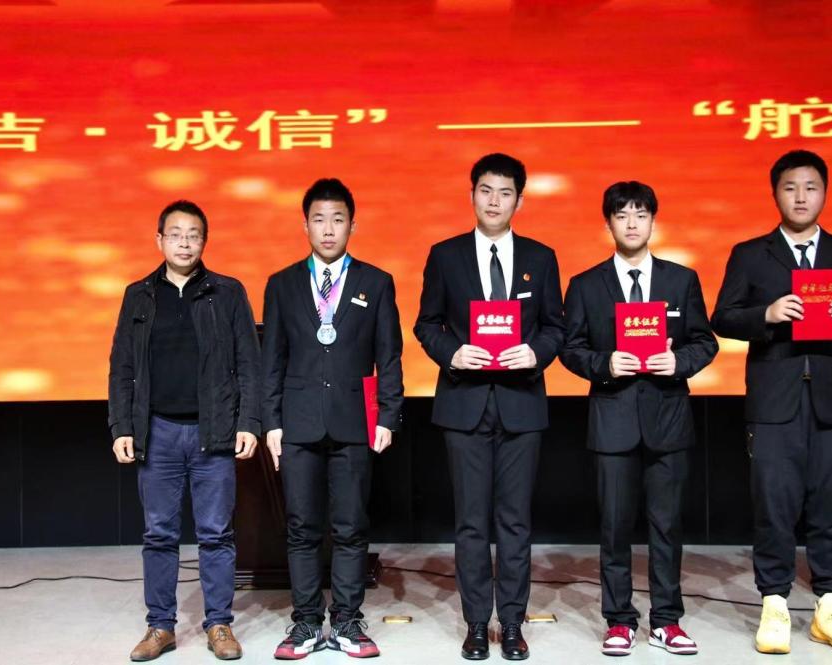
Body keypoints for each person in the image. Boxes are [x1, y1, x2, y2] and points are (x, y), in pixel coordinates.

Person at [710, 150, 832, 654]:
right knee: (775, 504)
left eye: (811, 187)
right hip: (774, 400)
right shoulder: (751, 253)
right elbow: (722, 317)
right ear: (776, 194)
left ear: (825, 193)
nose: (801, 197)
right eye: (790, 187)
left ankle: (830, 608)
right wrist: (765, 314)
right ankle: (774, 605)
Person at [414, 153, 564, 660]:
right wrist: (452, 352)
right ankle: (477, 622)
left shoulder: (541, 257)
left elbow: (556, 326)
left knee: (516, 522)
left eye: (504, 192)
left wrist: (536, 352)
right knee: (472, 522)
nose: (494, 201)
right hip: (465, 403)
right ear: (472, 194)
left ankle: (513, 623)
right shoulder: (445, 255)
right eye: (485, 190)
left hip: (522, 403)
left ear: (519, 200)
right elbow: (426, 323)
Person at [560, 181, 716, 657]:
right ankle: (619, 619)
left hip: (668, 418)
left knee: (667, 525)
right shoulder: (586, 285)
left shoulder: (681, 280)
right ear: (608, 222)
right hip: (613, 419)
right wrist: (605, 363)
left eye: (641, 214)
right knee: (614, 526)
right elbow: (570, 349)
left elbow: (704, 341)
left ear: (653, 221)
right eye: (622, 215)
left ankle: (667, 620)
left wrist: (679, 362)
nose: (632, 223)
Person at [108, 200, 261, 661]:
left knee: (216, 533)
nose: (184, 243)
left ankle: (219, 624)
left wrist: (249, 422)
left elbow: (248, 363)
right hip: (156, 433)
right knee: (159, 534)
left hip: (212, 433)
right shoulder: (139, 295)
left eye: (193, 235)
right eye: (175, 234)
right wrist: (121, 425)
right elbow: (122, 366)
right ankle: (160, 627)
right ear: (159, 240)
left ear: (204, 241)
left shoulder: (227, 292)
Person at [261, 178, 403, 660]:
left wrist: (388, 415)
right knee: (301, 527)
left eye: (337, 220)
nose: (328, 229)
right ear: (305, 225)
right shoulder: (281, 284)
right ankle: (305, 621)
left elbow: (389, 355)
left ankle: (346, 620)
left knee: (350, 527)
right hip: (297, 422)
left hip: (355, 422)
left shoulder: (375, 282)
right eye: (318, 220)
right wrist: (271, 421)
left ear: (352, 226)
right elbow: (272, 359)